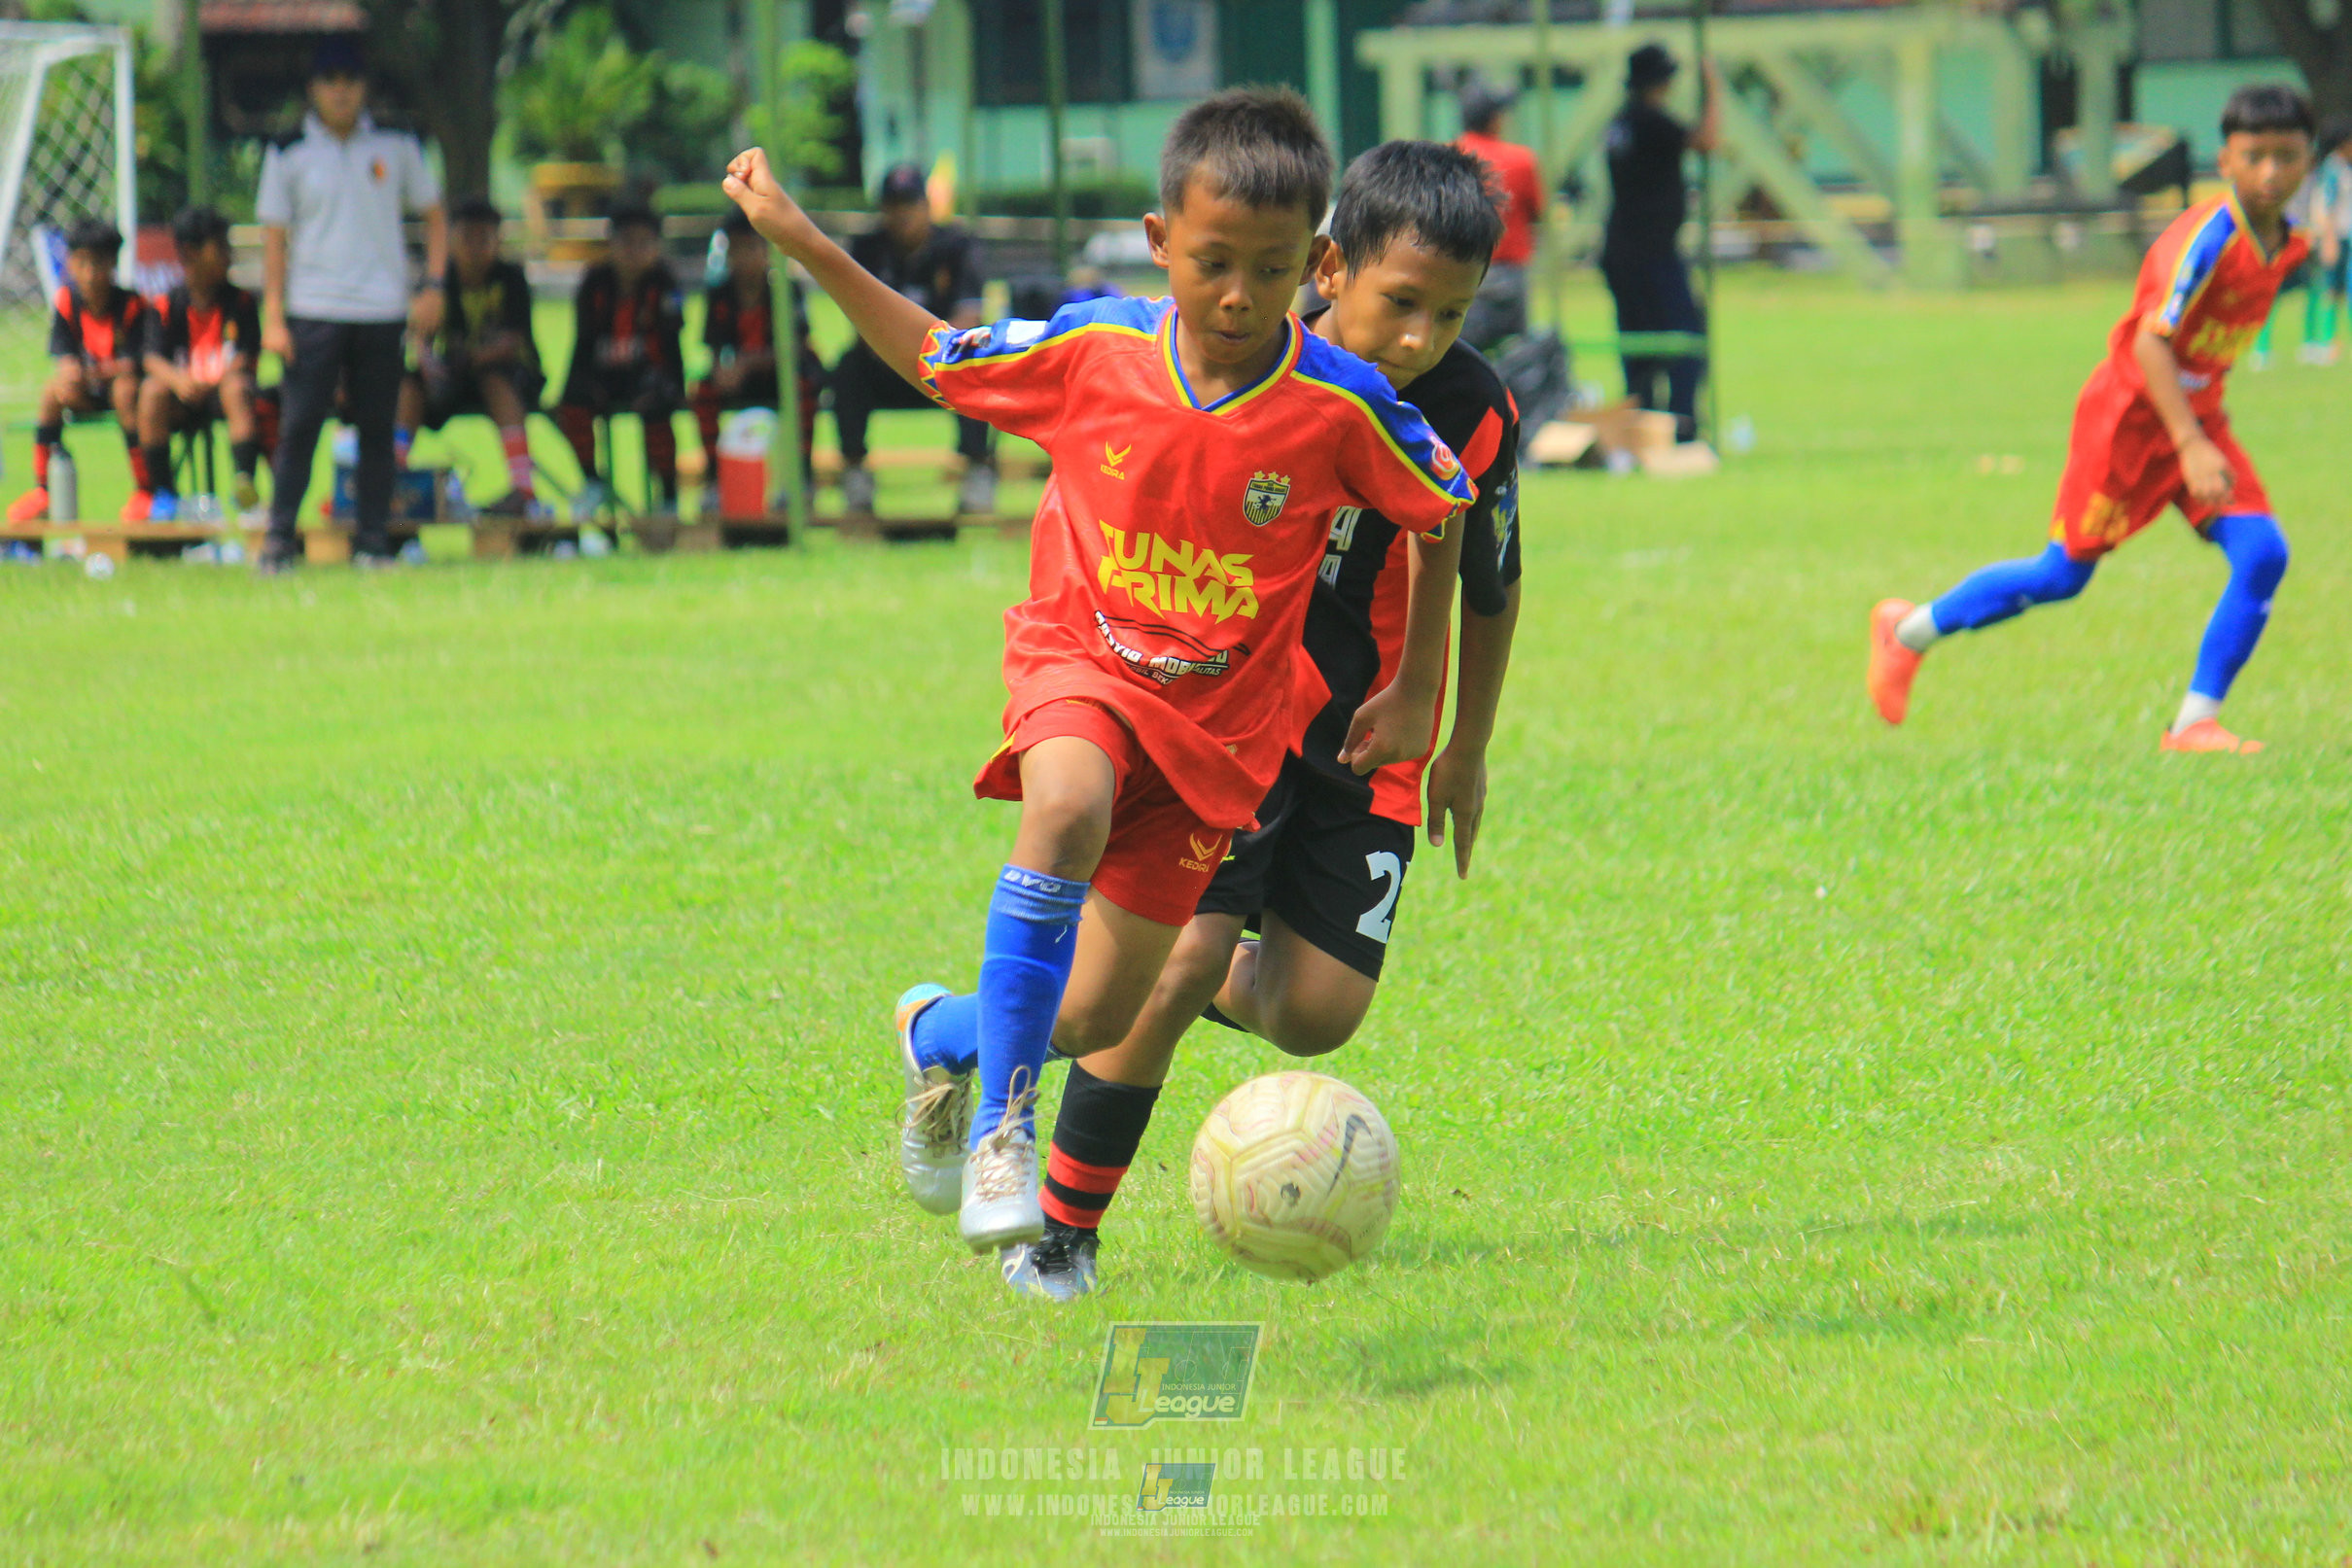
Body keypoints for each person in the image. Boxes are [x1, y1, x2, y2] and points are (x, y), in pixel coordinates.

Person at [720, 87, 1474, 1264]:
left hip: (1215, 741)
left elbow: (1444, 506)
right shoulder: (1092, 349)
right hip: (1081, 662)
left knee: (1092, 1013)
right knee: (1064, 802)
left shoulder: (1342, 405)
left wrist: (1424, 684)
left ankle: (942, 1034)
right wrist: (806, 239)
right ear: (1158, 238)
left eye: (1270, 270)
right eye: (1211, 260)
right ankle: (1002, 1136)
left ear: (1313, 266)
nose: (1236, 294)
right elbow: (931, 354)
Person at [1013, 140, 1525, 1301]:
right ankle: (1061, 1234)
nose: (1418, 338)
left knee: (1314, 1012)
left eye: (1449, 313)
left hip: (1367, 737)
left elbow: (1485, 572)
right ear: (1330, 268)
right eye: (1401, 303)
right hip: (1230, 717)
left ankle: (1184, 963)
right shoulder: (1246, 366)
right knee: (1177, 961)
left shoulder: (1469, 406)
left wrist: (1461, 741)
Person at [1869, 85, 2314, 755]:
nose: (2271, 173)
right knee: (2061, 575)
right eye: (2254, 156)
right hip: (2131, 422)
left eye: (2286, 156)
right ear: (2224, 159)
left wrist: (2197, 433)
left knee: (2261, 553)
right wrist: (2189, 442)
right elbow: (2148, 342)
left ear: (2308, 158)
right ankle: (1905, 633)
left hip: (2197, 422)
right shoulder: (2205, 239)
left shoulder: (2285, 240)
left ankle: (2194, 721)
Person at [257, 36, 445, 571]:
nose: (340, 91)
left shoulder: (395, 143)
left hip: (382, 308)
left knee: (377, 431)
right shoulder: (288, 149)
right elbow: (275, 236)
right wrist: (273, 315)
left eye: (350, 80)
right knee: (300, 426)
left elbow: (433, 216)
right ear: (313, 89)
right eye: (329, 81)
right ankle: (278, 539)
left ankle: (371, 540)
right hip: (313, 307)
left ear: (365, 88)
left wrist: (433, 286)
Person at [832, 160, 996, 516]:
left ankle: (978, 469)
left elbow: (968, 319)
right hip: (886, 364)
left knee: (978, 360)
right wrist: (895, 345)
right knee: (847, 368)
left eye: (909, 205)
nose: (902, 214)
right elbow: (860, 320)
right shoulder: (868, 249)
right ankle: (856, 473)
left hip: (943, 363)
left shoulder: (958, 245)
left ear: (926, 206)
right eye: (893, 206)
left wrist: (918, 347)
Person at [1600, 43, 1720, 442]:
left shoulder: (1621, 122)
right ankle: (1681, 425)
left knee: (1638, 343)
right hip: (1652, 250)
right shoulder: (1650, 122)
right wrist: (1714, 89)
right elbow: (1706, 139)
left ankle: (1643, 425)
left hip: (1623, 249)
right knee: (1685, 336)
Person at [397, 195, 544, 516]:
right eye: (467, 237)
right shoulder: (438, 281)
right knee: (409, 385)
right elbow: (419, 337)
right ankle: (394, 474)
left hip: (510, 375)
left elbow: (509, 342)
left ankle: (523, 488)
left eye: (485, 238)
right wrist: (430, 365)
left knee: (495, 381)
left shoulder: (510, 279)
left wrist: (468, 359)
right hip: (451, 375)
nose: (476, 247)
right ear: (451, 239)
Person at [8, 217, 149, 524]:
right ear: (70, 263)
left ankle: (145, 489)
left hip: (121, 393)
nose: (90, 273)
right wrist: (72, 370)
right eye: (82, 262)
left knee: (126, 389)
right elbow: (64, 356)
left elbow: (136, 362)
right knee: (52, 391)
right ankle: (43, 490)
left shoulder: (132, 304)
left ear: (112, 264)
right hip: (87, 390)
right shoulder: (66, 303)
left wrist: (102, 371)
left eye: (98, 264)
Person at [553, 200, 685, 517]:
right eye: (626, 242)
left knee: (659, 409)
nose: (634, 252)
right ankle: (591, 481)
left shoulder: (665, 284)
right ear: (611, 244)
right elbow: (583, 342)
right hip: (602, 374)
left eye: (644, 243)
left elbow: (671, 342)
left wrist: (671, 385)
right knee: (572, 405)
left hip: (650, 373)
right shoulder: (594, 283)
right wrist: (583, 384)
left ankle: (667, 495)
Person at [137, 205, 263, 523]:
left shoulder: (242, 303)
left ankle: (244, 486)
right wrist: (179, 381)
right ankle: (163, 493)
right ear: (191, 253)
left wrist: (215, 380)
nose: (228, 255)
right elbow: (151, 357)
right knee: (152, 392)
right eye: (220, 247)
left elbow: (246, 357)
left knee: (237, 389)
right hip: (183, 398)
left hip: (223, 396)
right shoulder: (165, 304)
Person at [692, 208, 823, 481]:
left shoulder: (785, 289)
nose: (744, 257)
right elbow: (714, 346)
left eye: (751, 247)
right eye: (736, 249)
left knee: (805, 388)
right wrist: (721, 371)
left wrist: (749, 363)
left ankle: (802, 473)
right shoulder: (720, 294)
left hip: (782, 374)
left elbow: (798, 345)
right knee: (703, 391)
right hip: (740, 380)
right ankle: (714, 477)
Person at [1455, 79, 1543, 349]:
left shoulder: (1447, 156)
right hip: (1508, 274)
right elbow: (1537, 213)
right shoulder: (1521, 159)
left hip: (1459, 271)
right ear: (1494, 119)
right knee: (1515, 355)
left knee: (1461, 351)